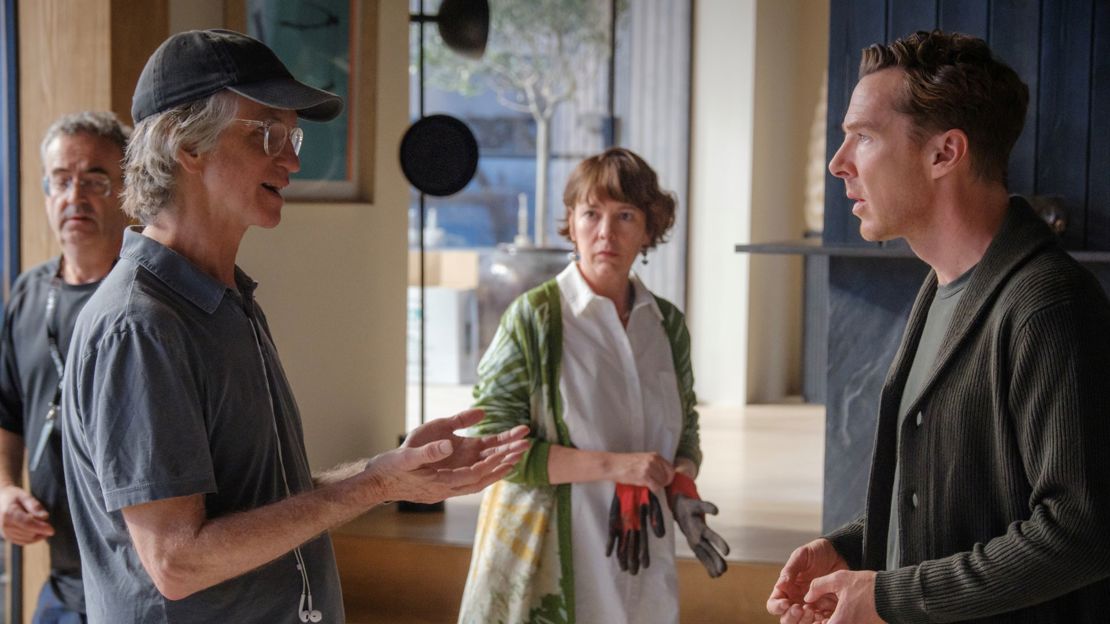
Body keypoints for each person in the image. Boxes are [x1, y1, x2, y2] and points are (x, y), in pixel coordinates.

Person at [59, 29, 528, 624]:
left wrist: (388, 472)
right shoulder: (141, 325)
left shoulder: (225, 300)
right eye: (266, 134)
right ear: (187, 146)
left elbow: (257, 498)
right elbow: (177, 562)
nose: (293, 158)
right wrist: (372, 489)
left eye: (293, 135)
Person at [767, 30, 1110, 624]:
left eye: (863, 138)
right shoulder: (941, 286)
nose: (837, 162)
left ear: (944, 153)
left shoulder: (1047, 304)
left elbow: (1082, 529)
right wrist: (850, 549)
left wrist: (887, 598)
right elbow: (955, 496)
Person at [458, 147, 729, 624]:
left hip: (646, 547)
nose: (606, 232)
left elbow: (684, 431)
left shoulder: (666, 323)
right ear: (571, 222)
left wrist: (681, 487)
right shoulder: (535, 318)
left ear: (650, 228)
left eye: (625, 215)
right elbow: (491, 446)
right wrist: (617, 466)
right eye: (591, 214)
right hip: (558, 551)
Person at [0, 111, 132, 623]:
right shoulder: (28, 294)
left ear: (126, 191)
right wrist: (7, 489)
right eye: (61, 180)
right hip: (63, 581)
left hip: (139, 581)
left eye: (96, 179)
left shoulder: (143, 303)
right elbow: (8, 414)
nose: (75, 196)